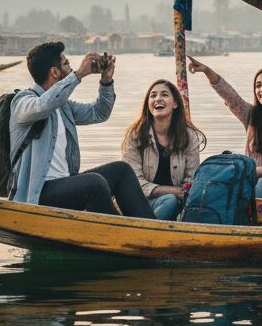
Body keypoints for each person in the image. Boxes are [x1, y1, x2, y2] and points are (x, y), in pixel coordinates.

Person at [9, 41, 156, 218]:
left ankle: (150, 228)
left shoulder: (64, 107)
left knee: (121, 170)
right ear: (54, 72)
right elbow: (44, 105)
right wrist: (79, 75)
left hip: (64, 185)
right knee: (94, 184)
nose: (71, 68)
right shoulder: (22, 101)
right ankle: (120, 234)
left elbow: (99, 112)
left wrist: (106, 80)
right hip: (37, 194)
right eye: (66, 64)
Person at [187, 57, 262, 197]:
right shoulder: (251, 115)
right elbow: (230, 96)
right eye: (258, 85)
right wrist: (207, 71)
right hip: (248, 182)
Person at [122, 79, 206, 221]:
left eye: (164, 95)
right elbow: (133, 183)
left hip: (176, 204)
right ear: (148, 104)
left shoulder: (189, 136)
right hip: (139, 203)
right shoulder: (136, 135)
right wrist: (172, 191)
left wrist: (183, 193)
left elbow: (190, 179)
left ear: (175, 104)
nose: (158, 99)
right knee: (170, 200)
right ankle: (146, 233)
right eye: (153, 95)